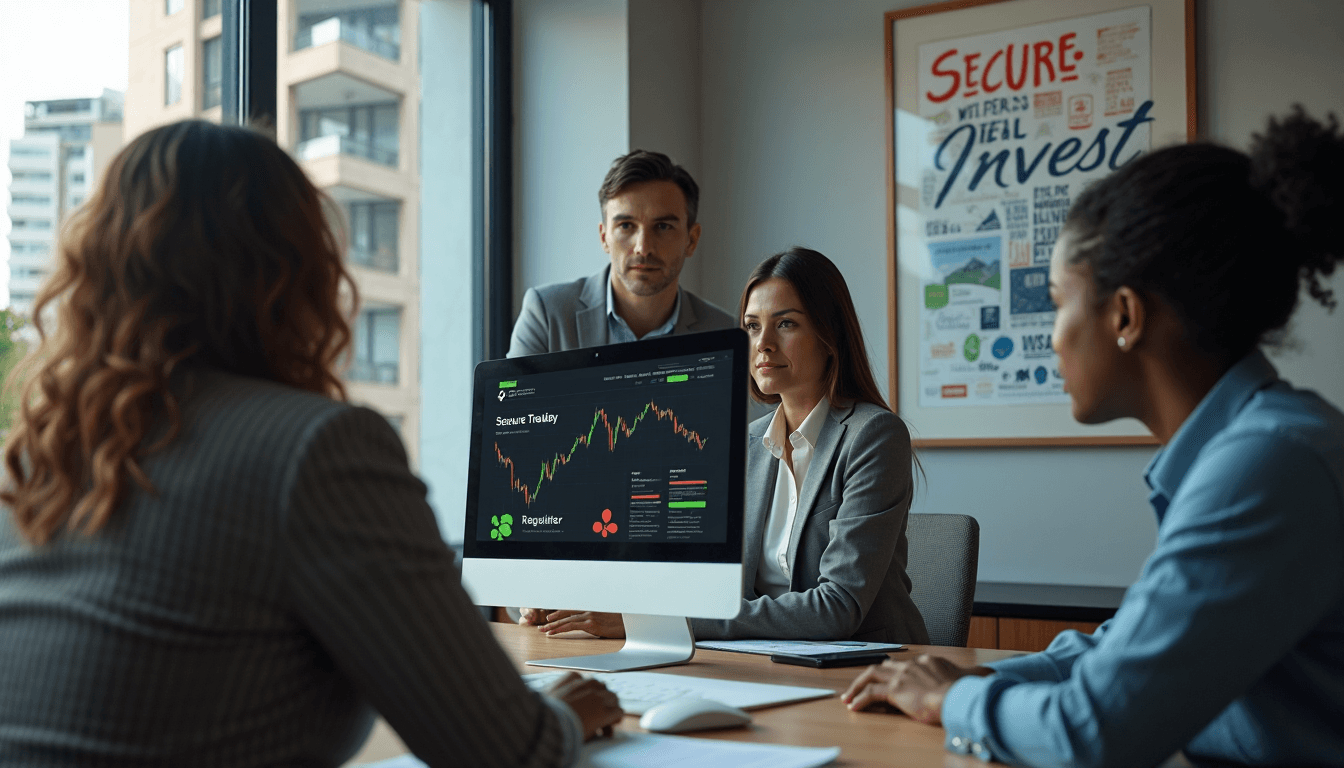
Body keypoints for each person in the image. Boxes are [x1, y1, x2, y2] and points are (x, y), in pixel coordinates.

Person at [0, 120, 621, 767]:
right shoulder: (315, 449)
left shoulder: (37, 459)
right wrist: (565, 712)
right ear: (298, 270)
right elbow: (506, 751)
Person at [842, 108, 1344, 767]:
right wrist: (976, 682)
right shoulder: (1255, 446)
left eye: (1056, 301)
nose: (1051, 336)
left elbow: (1094, 734)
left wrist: (953, 702)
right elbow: (1128, 649)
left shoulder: (1266, 465)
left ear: (1126, 316)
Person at [524, 248, 929, 644]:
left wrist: (650, 620)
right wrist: (581, 597)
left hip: (868, 664)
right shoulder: (747, 441)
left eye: (785, 324)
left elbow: (837, 607)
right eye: (752, 326)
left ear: (829, 334)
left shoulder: (873, 436)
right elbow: (693, 574)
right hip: (765, 656)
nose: (763, 343)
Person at [506, 149, 735, 357]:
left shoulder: (726, 334)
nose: (643, 248)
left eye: (663, 226)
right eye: (626, 226)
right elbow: (510, 403)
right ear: (604, 237)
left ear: (691, 240)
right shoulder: (547, 316)